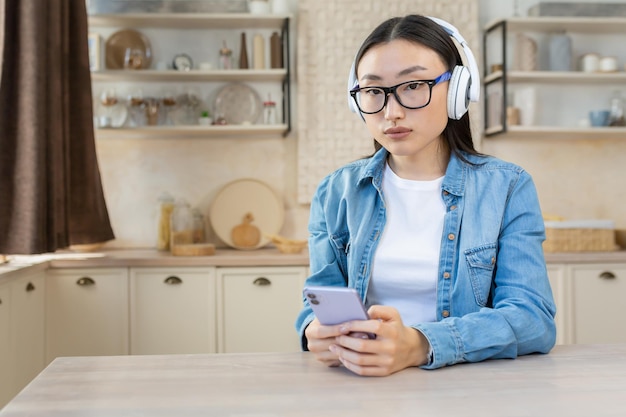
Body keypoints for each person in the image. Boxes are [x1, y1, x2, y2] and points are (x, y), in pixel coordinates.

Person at [295, 14, 556, 376]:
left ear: (459, 90)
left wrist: (420, 344)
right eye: (373, 91)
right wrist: (314, 330)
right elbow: (321, 296)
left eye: (414, 85)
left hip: (470, 387)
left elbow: (533, 319)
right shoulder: (336, 191)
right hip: (362, 387)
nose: (392, 111)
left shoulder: (507, 187)